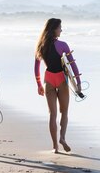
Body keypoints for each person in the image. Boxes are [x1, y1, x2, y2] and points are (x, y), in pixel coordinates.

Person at [34, 18, 82, 153]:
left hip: (48, 79)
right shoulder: (63, 45)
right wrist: (78, 83)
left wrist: (39, 84)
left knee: (52, 114)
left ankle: (55, 146)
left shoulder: (40, 46)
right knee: (64, 112)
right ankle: (62, 138)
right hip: (61, 79)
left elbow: (36, 68)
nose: (61, 30)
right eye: (60, 27)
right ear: (54, 29)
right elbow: (72, 65)